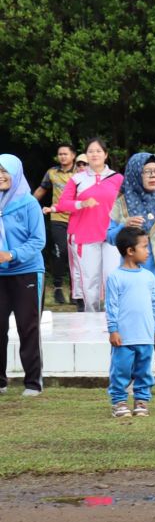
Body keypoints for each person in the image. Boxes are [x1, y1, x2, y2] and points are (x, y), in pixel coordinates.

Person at [107, 153, 155, 396]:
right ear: (136, 174)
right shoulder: (123, 203)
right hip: (130, 277)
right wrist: (124, 225)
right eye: (147, 172)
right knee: (129, 327)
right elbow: (108, 236)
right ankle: (130, 378)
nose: (152, 177)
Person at [49, 137, 122, 312]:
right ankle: (92, 316)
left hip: (111, 235)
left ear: (106, 154)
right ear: (85, 155)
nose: (94, 154)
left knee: (113, 277)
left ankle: (114, 316)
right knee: (90, 280)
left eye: (98, 151)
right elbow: (63, 204)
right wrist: (81, 204)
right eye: (90, 151)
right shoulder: (77, 179)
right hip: (85, 235)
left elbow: (126, 204)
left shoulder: (118, 178)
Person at [0, 154, 46, 396]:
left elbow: (38, 240)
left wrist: (12, 254)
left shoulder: (28, 203)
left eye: (4, 170)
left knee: (28, 328)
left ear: (15, 173)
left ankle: (33, 383)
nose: (0, 175)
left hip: (27, 272)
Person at [106, 227, 155, 418]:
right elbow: (111, 306)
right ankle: (119, 402)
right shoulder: (115, 277)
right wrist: (113, 330)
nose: (148, 251)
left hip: (145, 336)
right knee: (120, 371)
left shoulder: (149, 277)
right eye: (144, 247)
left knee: (144, 371)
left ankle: (141, 400)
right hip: (124, 337)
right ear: (130, 251)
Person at [33, 144, 75, 304]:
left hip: (77, 219)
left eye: (66, 154)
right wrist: (26, 204)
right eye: (60, 154)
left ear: (73, 155)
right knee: (61, 251)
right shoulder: (52, 172)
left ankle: (75, 292)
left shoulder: (80, 173)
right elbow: (41, 190)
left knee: (75, 256)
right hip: (57, 218)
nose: (63, 156)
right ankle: (57, 288)